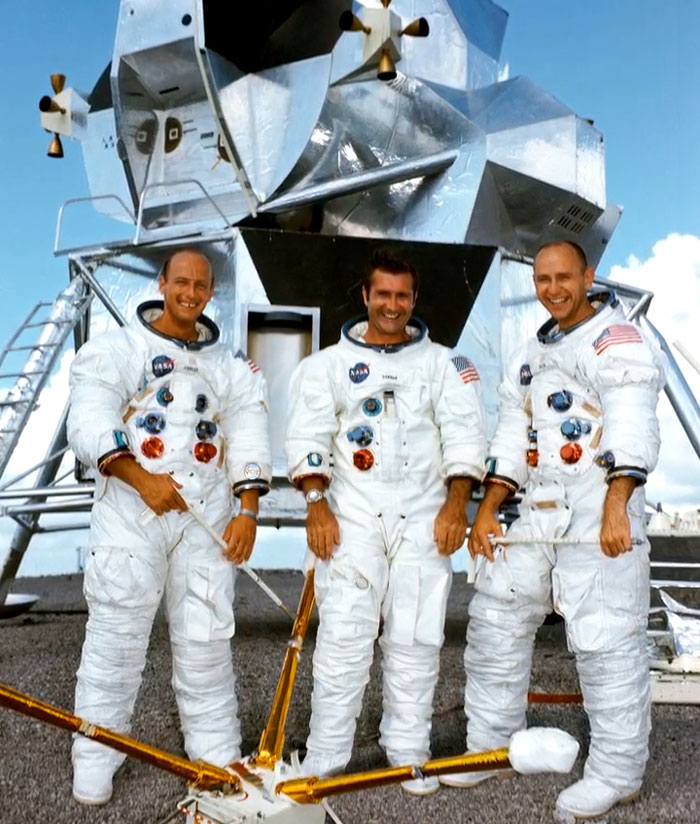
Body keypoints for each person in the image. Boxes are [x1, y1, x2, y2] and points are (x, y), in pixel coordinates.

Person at [445, 240, 665, 820]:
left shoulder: (615, 340)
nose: (552, 289)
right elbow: (512, 440)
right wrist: (490, 507)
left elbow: (633, 418)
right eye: (543, 279)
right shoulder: (528, 354)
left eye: (564, 277)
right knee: (495, 611)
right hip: (538, 508)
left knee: (605, 634)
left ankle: (618, 773)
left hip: (599, 505)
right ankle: (489, 744)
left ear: (587, 275)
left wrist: (620, 502)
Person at [67, 249, 271, 805]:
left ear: (210, 293)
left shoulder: (230, 365)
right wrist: (139, 476)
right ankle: (96, 755)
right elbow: (90, 413)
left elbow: (250, 430)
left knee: (206, 639)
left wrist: (247, 509)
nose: (190, 292)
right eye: (181, 282)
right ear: (162, 284)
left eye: (201, 285)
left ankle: (214, 750)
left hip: (203, 519)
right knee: (116, 640)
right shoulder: (117, 349)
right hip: (132, 514)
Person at [285, 249, 486, 795]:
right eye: (383, 294)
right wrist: (316, 504)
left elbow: (464, 438)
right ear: (366, 296)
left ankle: (408, 750)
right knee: (346, 635)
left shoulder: (446, 365)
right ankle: (327, 755)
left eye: (402, 296)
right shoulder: (326, 366)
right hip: (352, 510)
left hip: (424, 511)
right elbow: (307, 437)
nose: (392, 305)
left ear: (414, 300)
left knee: (417, 636)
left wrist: (456, 504)